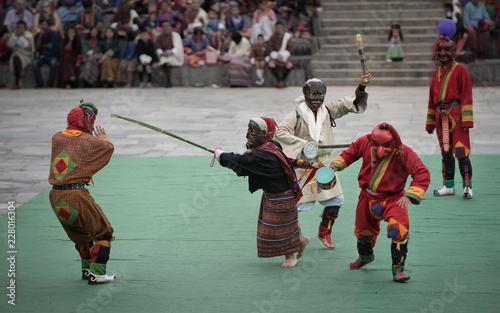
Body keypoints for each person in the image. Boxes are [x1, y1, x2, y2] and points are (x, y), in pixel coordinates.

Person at [275, 75, 370, 249]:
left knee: (336, 199)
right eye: (313, 94)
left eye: (321, 94)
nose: (318, 98)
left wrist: (361, 87)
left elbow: (345, 104)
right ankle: (296, 235)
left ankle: (324, 232)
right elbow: (280, 132)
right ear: (305, 94)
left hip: (324, 166)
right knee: (296, 206)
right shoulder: (296, 114)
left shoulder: (327, 109)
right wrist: (304, 144)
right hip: (303, 168)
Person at [330, 123, 430, 282]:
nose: (380, 151)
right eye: (375, 145)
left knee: (398, 230)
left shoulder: (404, 153)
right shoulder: (364, 142)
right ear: (371, 140)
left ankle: (398, 270)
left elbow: (422, 173)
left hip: (394, 199)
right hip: (367, 197)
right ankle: (365, 257)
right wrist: (335, 166)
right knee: (362, 232)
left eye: (386, 146)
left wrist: (410, 195)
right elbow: (351, 152)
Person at [214, 117, 310, 268]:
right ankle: (300, 240)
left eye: (253, 132)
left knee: (278, 229)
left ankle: (291, 256)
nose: (248, 136)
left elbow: (241, 162)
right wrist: (250, 153)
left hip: (281, 199)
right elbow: (251, 159)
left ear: (265, 134)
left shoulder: (263, 155)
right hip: (274, 195)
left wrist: (221, 154)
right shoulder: (271, 145)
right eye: (248, 131)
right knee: (282, 226)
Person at [49, 100, 116, 284]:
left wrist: (84, 111)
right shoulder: (89, 141)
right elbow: (107, 149)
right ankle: (98, 274)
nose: (92, 124)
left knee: (82, 234)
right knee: (104, 232)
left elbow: (75, 140)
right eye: (91, 120)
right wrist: (104, 140)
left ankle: (87, 270)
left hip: (56, 197)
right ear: (86, 121)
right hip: (75, 195)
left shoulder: (57, 137)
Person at [426, 27, 474, 199]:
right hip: (441, 118)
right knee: (446, 152)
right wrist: (430, 123)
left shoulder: (462, 71)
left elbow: (467, 95)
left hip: (457, 117)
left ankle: (467, 187)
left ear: (454, 52)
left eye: (447, 50)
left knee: (461, 152)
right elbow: (432, 100)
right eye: (440, 50)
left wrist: (467, 120)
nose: (443, 53)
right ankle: (448, 185)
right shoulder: (435, 73)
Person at [155, 20, 184, 88]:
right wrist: (162, 53)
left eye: (167, 26)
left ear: (170, 26)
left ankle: (167, 81)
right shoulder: (159, 37)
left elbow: (178, 47)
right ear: (162, 27)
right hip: (164, 55)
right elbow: (158, 48)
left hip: (173, 55)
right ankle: (168, 81)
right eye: (164, 26)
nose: (166, 28)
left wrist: (171, 52)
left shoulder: (175, 35)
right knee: (165, 61)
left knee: (168, 61)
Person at [6, 20, 34, 90]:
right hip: (16, 54)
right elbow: (9, 45)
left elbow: (27, 46)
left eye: (22, 28)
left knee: (17, 58)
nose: (20, 29)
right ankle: (17, 81)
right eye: (19, 28)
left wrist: (21, 36)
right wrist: (14, 36)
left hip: (26, 55)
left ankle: (16, 82)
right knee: (15, 57)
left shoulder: (28, 35)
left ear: (25, 28)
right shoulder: (14, 35)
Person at [33, 18, 59, 88]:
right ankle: (40, 83)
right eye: (41, 25)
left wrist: (41, 45)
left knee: (54, 63)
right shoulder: (38, 35)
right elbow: (37, 47)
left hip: (51, 55)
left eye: (45, 24)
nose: (43, 26)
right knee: (35, 64)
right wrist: (40, 36)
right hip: (42, 55)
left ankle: (49, 84)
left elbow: (50, 45)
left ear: (48, 25)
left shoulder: (53, 34)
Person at [266, 21, 293, 88]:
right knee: (271, 64)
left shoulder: (287, 36)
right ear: (275, 28)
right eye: (277, 28)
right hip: (275, 55)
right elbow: (270, 48)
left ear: (283, 28)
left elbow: (289, 48)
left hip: (285, 55)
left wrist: (282, 55)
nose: (279, 29)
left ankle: (282, 80)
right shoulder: (272, 37)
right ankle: (279, 80)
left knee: (289, 65)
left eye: (280, 27)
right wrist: (277, 55)